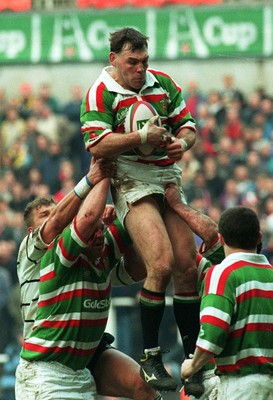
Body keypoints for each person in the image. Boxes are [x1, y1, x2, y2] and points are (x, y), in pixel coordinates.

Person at [81, 26, 200, 394]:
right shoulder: (100, 92)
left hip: (166, 176)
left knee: (186, 264)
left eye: (144, 61)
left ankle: (193, 360)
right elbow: (98, 146)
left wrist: (182, 142)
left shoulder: (162, 82)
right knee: (160, 262)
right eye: (132, 62)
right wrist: (140, 138)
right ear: (113, 59)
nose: (139, 68)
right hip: (130, 181)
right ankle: (150, 356)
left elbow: (188, 126)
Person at [16, 161, 161, 400]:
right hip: (48, 350)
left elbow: (135, 270)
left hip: (84, 349)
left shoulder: (86, 249)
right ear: (31, 230)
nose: (55, 218)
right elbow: (71, 221)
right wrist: (96, 176)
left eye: (58, 211)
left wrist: (117, 221)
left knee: (144, 386)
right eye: (45, 215)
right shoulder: (34, 250)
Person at [181, 206, 273, 400]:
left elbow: (213, 335)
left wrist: (192, 366)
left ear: (221, 239)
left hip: (241, 387)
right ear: (258, 237)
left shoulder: (222, 274)